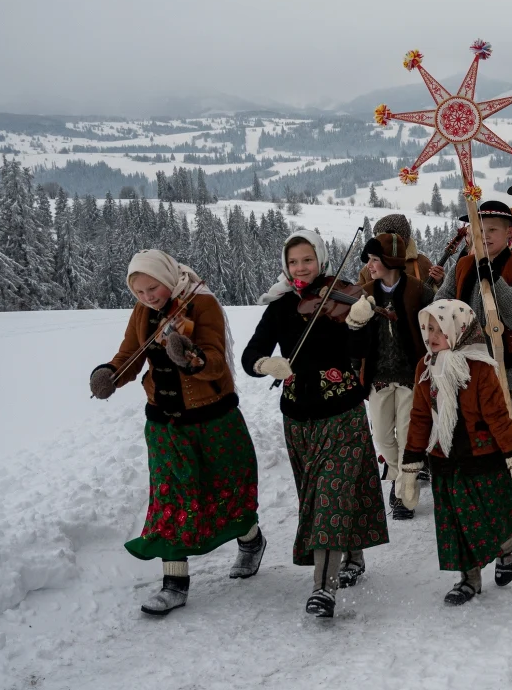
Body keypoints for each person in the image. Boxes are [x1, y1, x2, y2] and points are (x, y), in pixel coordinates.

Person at [89, 250, 263, 617]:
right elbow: (129, 356)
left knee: (226, 491)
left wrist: (190, 357)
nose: (148, 297)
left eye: (153, 287)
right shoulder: (143, 313)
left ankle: (251, 540)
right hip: (165, 424)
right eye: (139, 292)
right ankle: (174, 583)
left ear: (168, 277)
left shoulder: (202, 304)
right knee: (170, 501)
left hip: (212, 421)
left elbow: (215, 361)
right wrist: (109, 374)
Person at [242, 229, 388, 618]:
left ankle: (324, 589)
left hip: (341, 415)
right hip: (297, 419)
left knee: (330, 499)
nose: (300, 268)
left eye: (307, 259)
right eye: (293, 262)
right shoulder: (279, 306)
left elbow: (360, 355)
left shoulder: (346, 298)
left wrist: (358, 326)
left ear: (321, 259)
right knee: (320, 496)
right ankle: (352, 553)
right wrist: (263, 364)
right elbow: (250, 353)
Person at [401, 300, 512, 605]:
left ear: (459, 329)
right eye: (428, 329)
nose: (432, 336)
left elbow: (499, 419)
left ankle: (507, 545)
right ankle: (469, 580)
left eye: (439, 328)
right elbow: (421, 418)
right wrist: (409, 469)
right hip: (444, 459)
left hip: (481, 460)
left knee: (491, 520)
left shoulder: (479, 367)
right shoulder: (425, 369)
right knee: (456, 523)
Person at [435, 200, 512, 443]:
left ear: (509, 233)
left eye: (492, 230)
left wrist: (494, 280)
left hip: (509, 370)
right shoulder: (462, 265)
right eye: (479, 229)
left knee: (509, 438)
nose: (485, 235)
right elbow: (440, 305)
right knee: (475, 439)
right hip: (467, 368)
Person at [356, 231, 433, 521]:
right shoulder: (364, 292)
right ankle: (400, 473)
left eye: (375, 259)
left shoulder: (417, 289)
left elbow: (434, 324)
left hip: (409, 377)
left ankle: (402, 490)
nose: (370, 265)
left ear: (389, 261)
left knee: (407, 434)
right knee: (385, 438)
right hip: (377, 378)